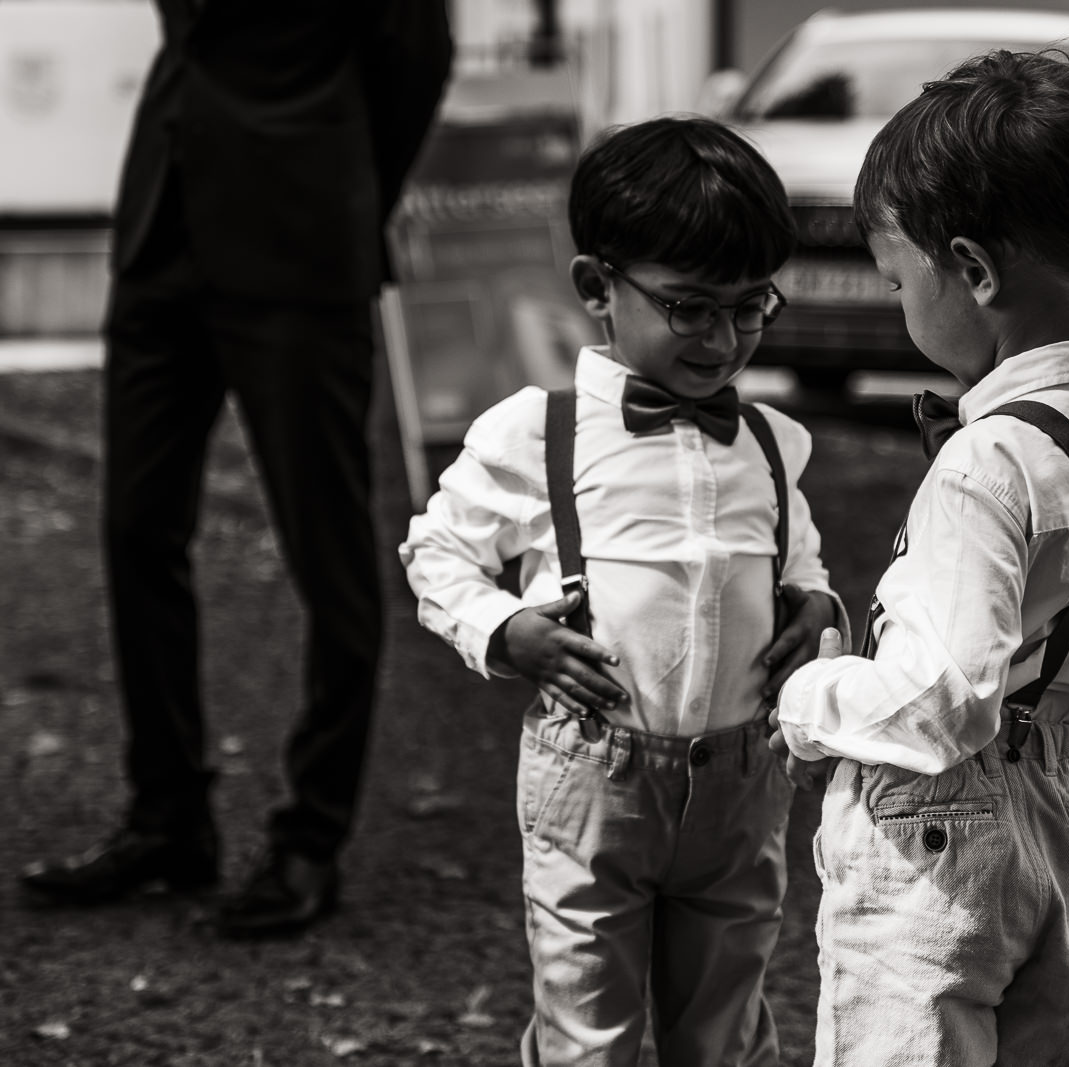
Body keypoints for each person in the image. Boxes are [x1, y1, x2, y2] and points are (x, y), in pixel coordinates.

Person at [771, 51, 1069, 1067]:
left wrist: (807, 696)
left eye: (902, 278)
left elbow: (939, 703)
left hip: (941, 833)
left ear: (973, 270)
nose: (902, 302)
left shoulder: (987, 460)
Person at [399, 116, 847, 1067]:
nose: (724, 337)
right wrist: (503, 626)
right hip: (594, 779)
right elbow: (435, 552)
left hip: (743, 781)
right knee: (587, 1029)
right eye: (690, 307)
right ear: (599, 287)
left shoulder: (773, 442)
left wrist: (817, 611)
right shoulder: (537, 432)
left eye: (749, 305)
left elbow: (798, 563)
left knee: (725, 1023)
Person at [18, 2, 454, 939]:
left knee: (327, 554)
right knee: (136, 529)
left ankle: (310, 837)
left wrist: (337, 191)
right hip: (160, 231)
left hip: (299, 242)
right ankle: (168, 816)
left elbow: (416, 61)